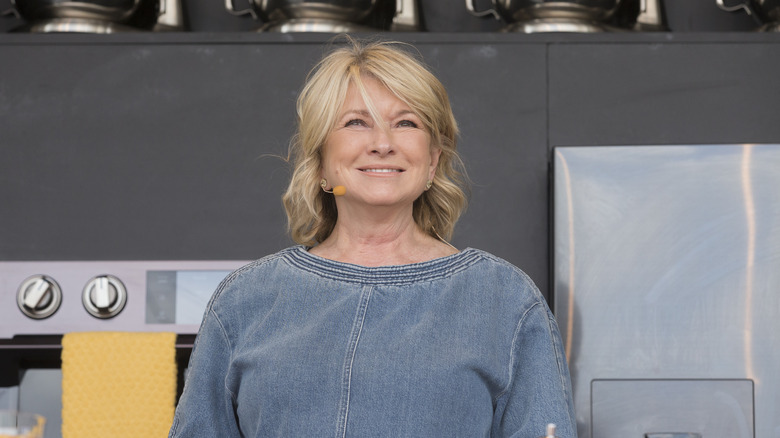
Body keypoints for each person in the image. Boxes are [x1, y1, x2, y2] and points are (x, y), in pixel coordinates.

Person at [168, 37, 576, 437]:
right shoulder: (244, 301)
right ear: (322, 162)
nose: (382, 143)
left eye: (406, 123)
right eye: (356, 122)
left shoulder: (505, 300)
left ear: (432, 162)